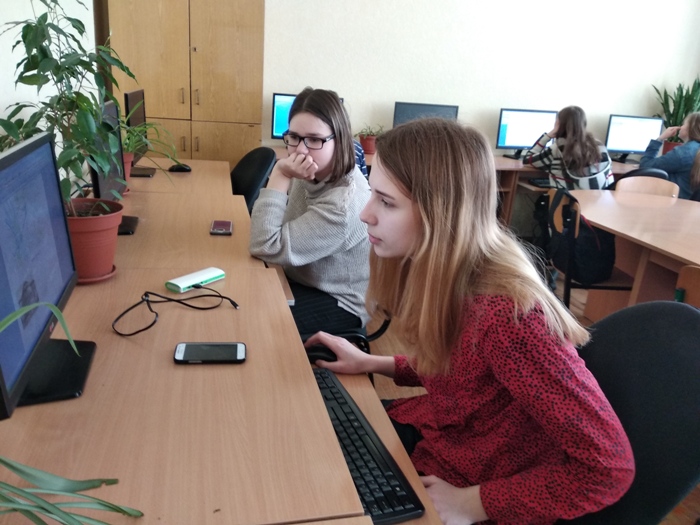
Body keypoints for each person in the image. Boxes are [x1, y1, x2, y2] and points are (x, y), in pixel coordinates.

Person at [305, 118, 634, 524]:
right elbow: (467, 371)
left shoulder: (509, 315)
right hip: (448, 438)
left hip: (474, 482)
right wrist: (375, 363)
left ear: (441, 213)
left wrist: (472, 503)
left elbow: (609, 467)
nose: (365, 214)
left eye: (386, 202)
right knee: (312, 434)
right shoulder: (450, 274)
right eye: (373, 194)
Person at [249, 87, 371, 336]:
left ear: (340, 140)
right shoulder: (308, 170)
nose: (300, 150)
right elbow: (268, 230)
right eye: (294, 137)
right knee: (239, 294)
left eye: (315, 140)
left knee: (255, 320)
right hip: (296, 273)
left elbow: (265, 244)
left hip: (337, 299)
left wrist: (280, 173)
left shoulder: (344, 204)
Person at [522, 105, 614, 190]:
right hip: (599, 201)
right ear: (583, 123)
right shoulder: (600, 146)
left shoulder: (557, 149)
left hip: (569, 201)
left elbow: (527, 160)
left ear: (559, 124)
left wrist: (547, 136)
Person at [639, 111, 700, 199]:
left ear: (690, 129)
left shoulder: (683, 153)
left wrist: (660, 138)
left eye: (683, 124)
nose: (680, 127)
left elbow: (645, 166)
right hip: (691, 205)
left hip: (675, 203)